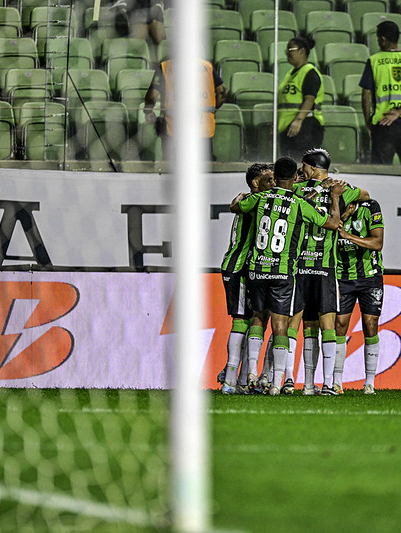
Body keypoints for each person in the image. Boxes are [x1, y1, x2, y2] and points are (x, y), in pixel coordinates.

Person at [231, 156, 344, 396]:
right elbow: (333, 224)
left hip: (257, 268)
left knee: (258, 320)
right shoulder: (299, 203)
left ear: (274, 178)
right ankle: (275, 383)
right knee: (280, 325)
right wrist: (333, 197)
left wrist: (239, 198)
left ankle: (251, 372)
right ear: (295, 178)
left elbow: (236, 207)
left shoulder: (259, 198)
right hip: (283, 272)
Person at [291, 148, 369, 395]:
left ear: (312, 168)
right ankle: (328, 384)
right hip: (326, 268)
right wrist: (340, 189)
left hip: (300, 266)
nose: (301, 171)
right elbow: (366, 195)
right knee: (327, 326)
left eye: (304, 167)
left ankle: (295, 383)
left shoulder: (297, 190)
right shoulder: (342, 190)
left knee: (298, 325)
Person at [219, 163, 275, 395]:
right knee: (242, 319)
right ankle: (230, 380)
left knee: (254, 320)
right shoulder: (255, 203)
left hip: (248, 268)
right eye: (268, 180)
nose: (273, 184)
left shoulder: (248, 200)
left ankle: (239, 379)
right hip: (239, 266)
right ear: (255, 183)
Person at [334, 198, 386, 395]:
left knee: (370, 324)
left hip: (370, 277)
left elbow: (377, 243)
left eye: (342, 212)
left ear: (350, 206)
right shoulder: (332, 216)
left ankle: (370, 382)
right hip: (342, 277)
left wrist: (347, 235)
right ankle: (337, 382)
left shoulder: (370, 207)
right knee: (339, 325)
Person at [359, 20, 401, 165]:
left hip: (383, 124)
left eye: (378, 39)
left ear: (383, 40)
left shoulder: (374, 61)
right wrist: (399, 112)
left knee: (381, 172)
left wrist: (367, 122)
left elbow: (366, 94)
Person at [143, 58, 227, 158]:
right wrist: (213, 109)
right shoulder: (207, 66)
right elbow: (223, 91)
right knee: (204, 167)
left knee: (174, 168)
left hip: (175, 129)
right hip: (202, 129)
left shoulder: (166, 66)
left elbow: (152, 96)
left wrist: (148, 111)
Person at [277, 37, 324, 161]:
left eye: (290, 49)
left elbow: (309, 99)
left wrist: (298, 120)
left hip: (304, 128)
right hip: (288, 127)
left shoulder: (310, 73)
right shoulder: (290, 74)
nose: (287, 53)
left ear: (302, 51)